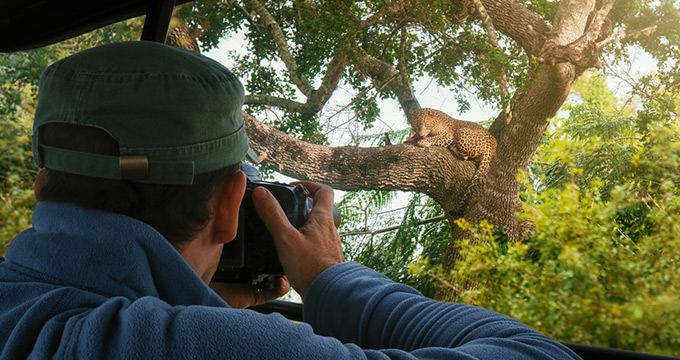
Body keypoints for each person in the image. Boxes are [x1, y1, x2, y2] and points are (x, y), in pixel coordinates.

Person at [0, 41, 579, 359]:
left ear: (43, 186)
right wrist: (330, 275)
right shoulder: (202, 345)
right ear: (233, 205)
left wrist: (188, 295)